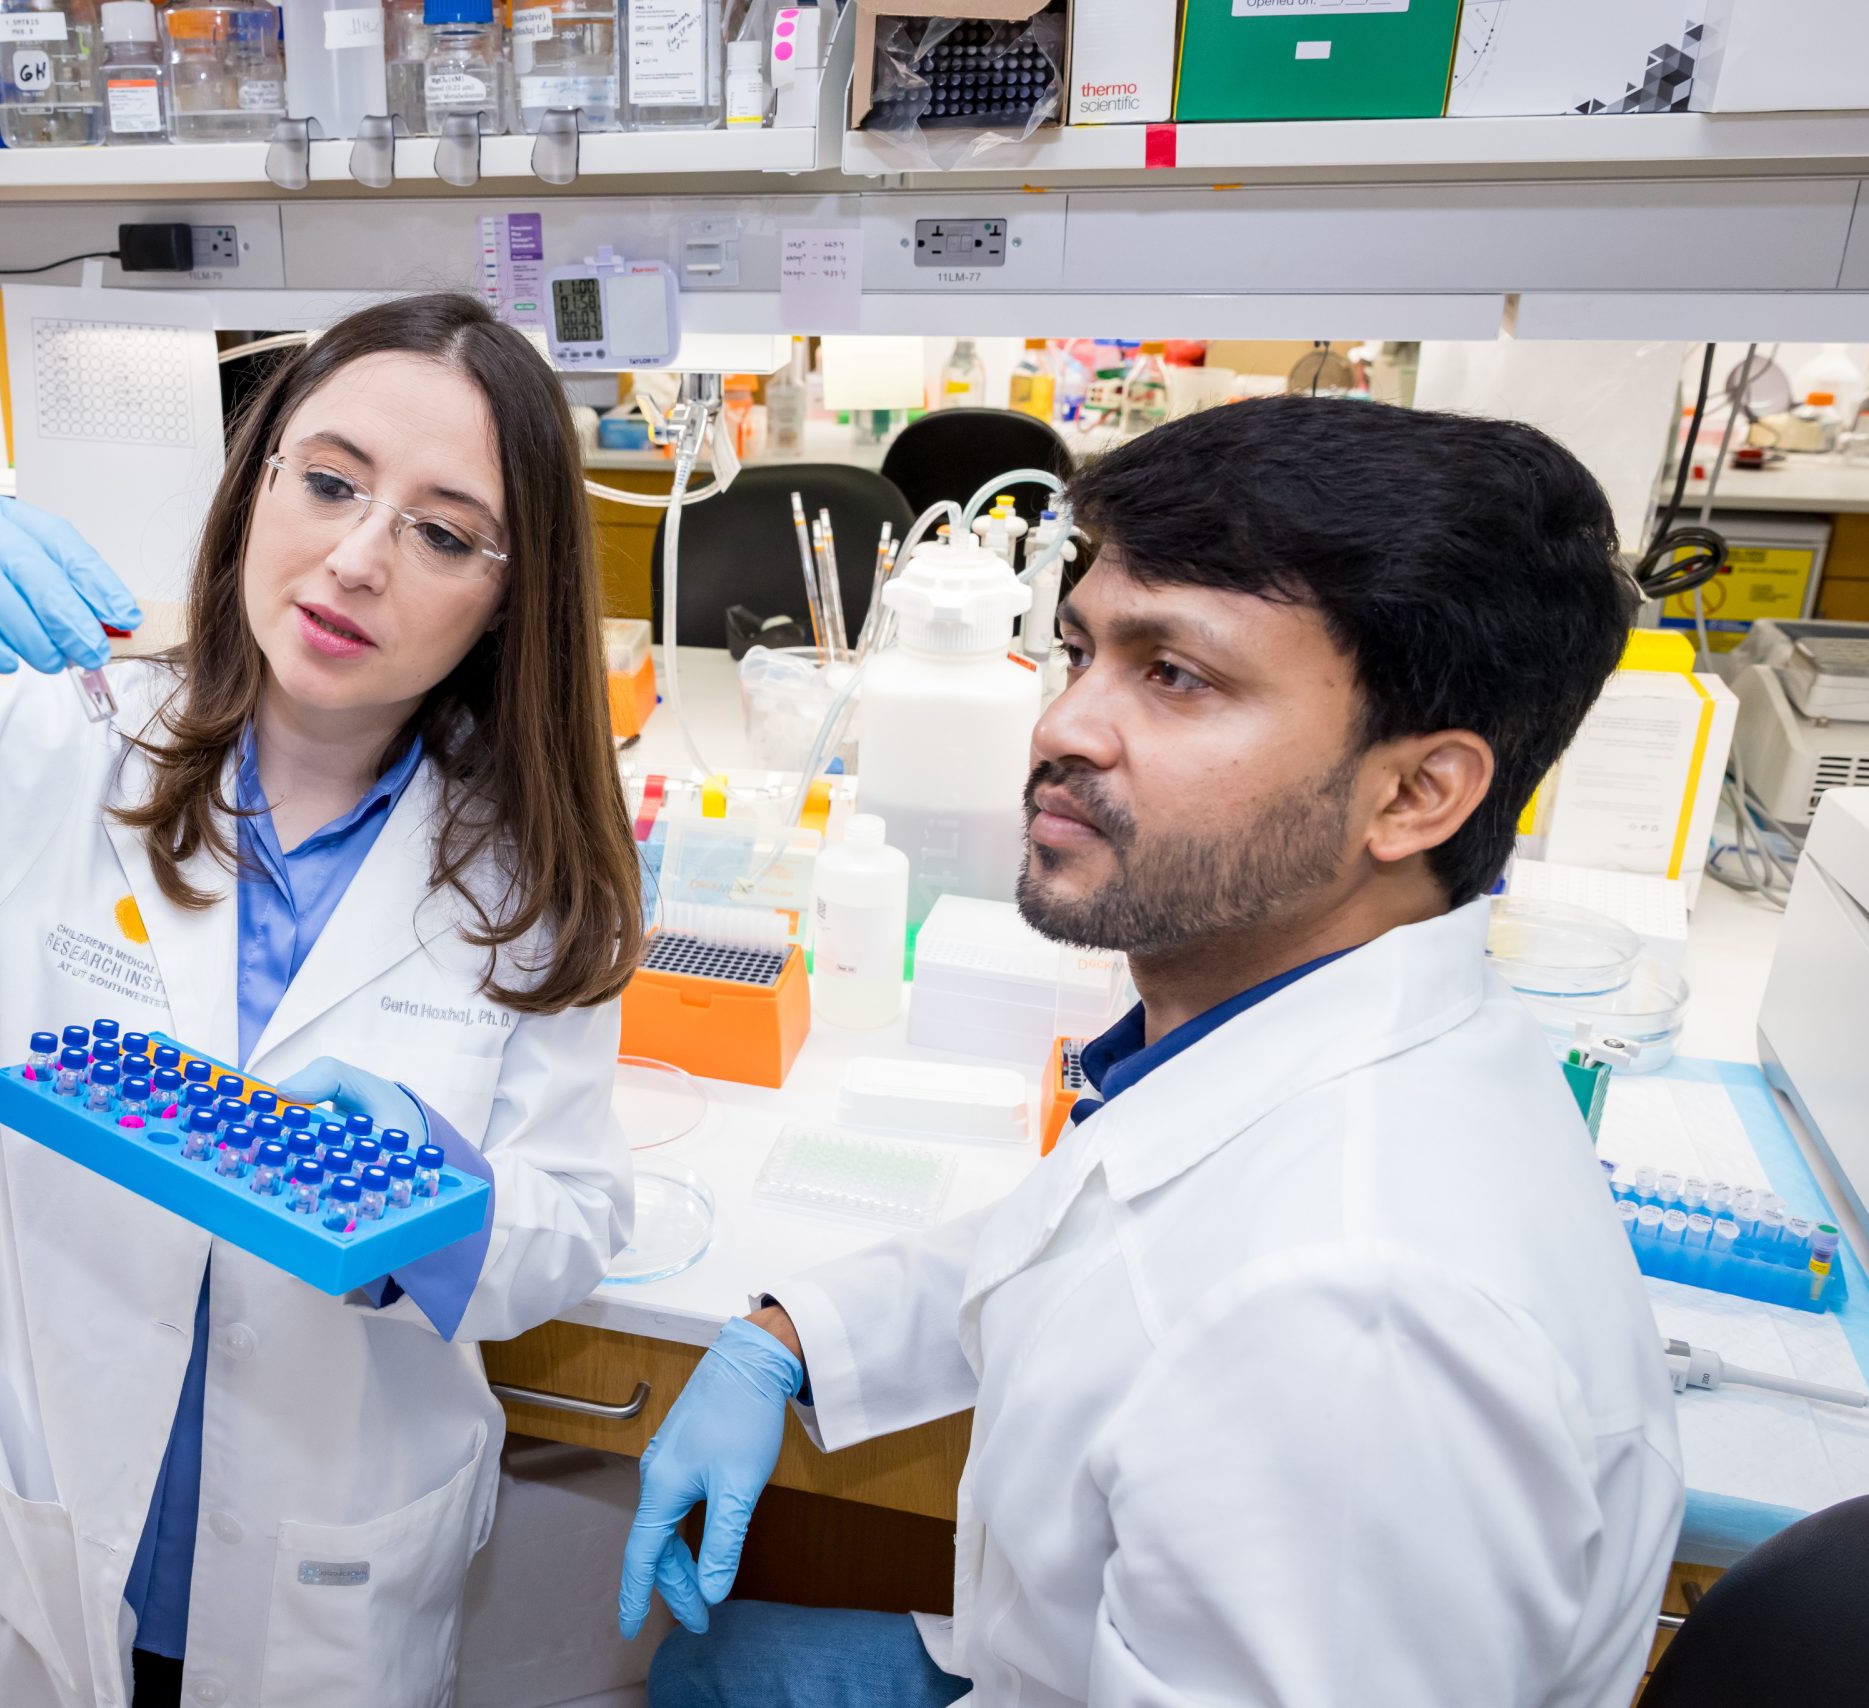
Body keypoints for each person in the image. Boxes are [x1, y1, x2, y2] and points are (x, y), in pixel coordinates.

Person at [0, 293, 643, 1708]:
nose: (357, 558)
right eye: (329, 483)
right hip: (31, 1526)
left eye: (444, 535)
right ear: (257, 482)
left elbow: (574, 1217)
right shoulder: (41, 748)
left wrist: (429, 1210)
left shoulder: (541, 874)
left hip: (329, 1582)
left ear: (512, 594)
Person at [620, 395, 1686, 1707]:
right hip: (1056, 1661)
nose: (1062, 727)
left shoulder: (1356, 1330)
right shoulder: (1296, 1023)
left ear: (1416, 794)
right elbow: (1094, 1238)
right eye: (1080, 651)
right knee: (705, 1670)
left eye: (1176, 675)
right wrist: (792, 1336)